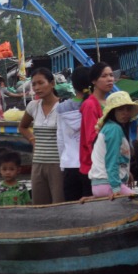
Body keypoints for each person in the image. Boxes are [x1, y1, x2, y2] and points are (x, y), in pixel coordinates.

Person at [17, 67, 64, 205]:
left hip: (58, 164)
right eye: (34, 84)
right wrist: (32, 140)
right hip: (38, 163)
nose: (37, 87)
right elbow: (22, 127)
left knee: (59, 203)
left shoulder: (63, 106)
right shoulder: (33, 106)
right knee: (39, 204)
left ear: (52, 83)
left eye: (41, 83)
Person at [88, 90, 138, 198]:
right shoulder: (114, 129)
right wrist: (116, 188)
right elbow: (111, 160)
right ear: (113, 111)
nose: (125, 113)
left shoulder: (109, 127)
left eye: (128, 109)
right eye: (120, 109)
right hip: (108, 184)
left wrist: (127, 173)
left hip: (99, 185)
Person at [56, 66, 93, 201]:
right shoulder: (94, 106)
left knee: (72, 208)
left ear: (73, 84)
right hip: (90, 165)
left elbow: (60, 139)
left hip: (69, 165)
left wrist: (63, 162)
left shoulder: (61, 109)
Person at [79, 62, 115, 178]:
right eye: (104, 76)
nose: (109, 79)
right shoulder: (90, 105)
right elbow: (92, 139)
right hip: (97, 169)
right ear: (94, 81)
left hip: (111, 164)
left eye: (111, 75)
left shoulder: (110, 103)